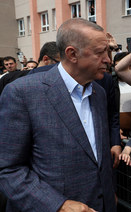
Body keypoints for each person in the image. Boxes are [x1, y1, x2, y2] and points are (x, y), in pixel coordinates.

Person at [0, 18, 116, 211]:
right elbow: (8, 170)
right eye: (100, 52)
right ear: (72, 54)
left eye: (108, 52)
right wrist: (58, 205)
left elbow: (96, 158)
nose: (108, 60)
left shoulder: (99, 93)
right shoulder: (22, 93)